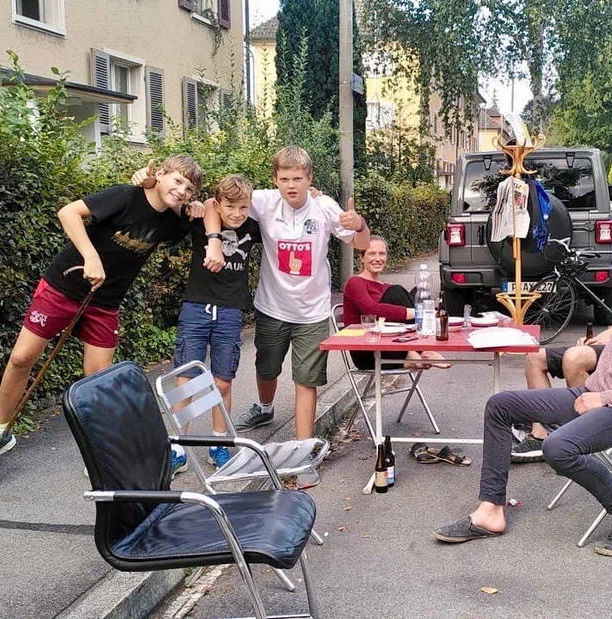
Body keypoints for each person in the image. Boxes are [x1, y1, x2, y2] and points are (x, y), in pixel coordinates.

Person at [434, 216, 612, 558]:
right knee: (500, 405)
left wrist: (605, 398)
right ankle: (490, 510)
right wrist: (586, 360)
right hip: (593, 394)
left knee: (557, 447)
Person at [0, 155, 205, 474]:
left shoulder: (174, 221)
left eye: (189, 188)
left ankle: (101, 456)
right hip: (63, 286)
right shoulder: (124, 196)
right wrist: (91, 256)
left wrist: (201, 206)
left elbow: (221, 205)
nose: (182, 190)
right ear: (159, 174)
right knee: (21, 358)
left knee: (97, 382)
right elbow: (68, 212)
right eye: (177, 181)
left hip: (105, 304)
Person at [207, 146, 370, 466]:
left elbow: (361, 244)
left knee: (305, 380)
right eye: (284, 178)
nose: (291, 185)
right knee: (266, 369)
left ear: (310, 179)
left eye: (298, 178)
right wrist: (213, 238)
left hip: (313, 311)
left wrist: (359, 224)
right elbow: (217, 207)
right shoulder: (263, 201)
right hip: (272, 306)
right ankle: (265, 409)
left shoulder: (324, 207)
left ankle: (303, 450)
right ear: (275, 180)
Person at [513, 217, 612, 463]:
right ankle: (541, 434)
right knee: (534, 356)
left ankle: (581, 434)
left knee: (575, 358)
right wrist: (593, 341)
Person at [168, 175, 260, 474]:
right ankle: (178, 447)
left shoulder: (252, 227)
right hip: (196, 307)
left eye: (243, 207)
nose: (236, 213)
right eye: (230, 207)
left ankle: (219, 443)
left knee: (223, 381)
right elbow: (197, 205)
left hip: (231, 311)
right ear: (218, 205)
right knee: (187, 379)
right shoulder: (202, 220)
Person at [342, 236, 449, 370]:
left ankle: (416, 352)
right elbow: (371, 309)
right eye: (372, 254)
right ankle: (418, 351)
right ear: (362, 258)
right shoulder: (355, 282)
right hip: (367, 352)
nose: (377, 258)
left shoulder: (384, 287)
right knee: (396, 291)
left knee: (415, 292)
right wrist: (419, 312)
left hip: (390, 346)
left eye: (382, 254)